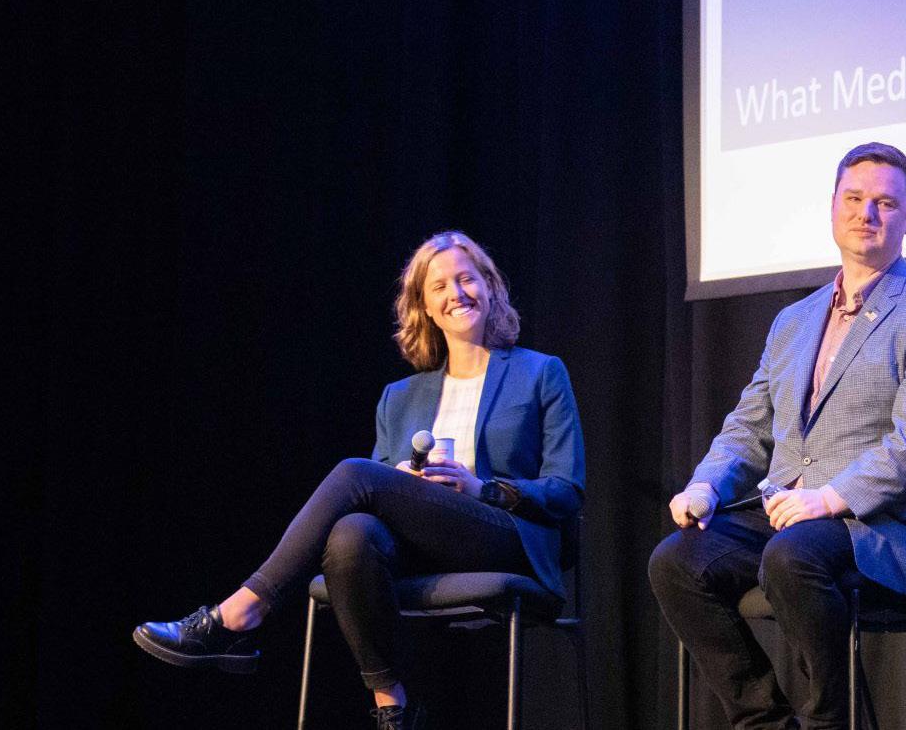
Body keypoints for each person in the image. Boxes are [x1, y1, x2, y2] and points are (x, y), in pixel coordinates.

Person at [132, 231, 586, 730]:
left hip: (505, 537)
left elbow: (567, 488)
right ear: (425, 308)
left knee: (354, 473)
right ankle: (394, 709)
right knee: (351, 534)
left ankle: (242, 611)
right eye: (439, 287)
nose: (456, 293)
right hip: (425, 544)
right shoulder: (399, 397)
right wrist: (402, 481)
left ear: (490, 287)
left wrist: (482, 489)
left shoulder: (540, 373)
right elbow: (367, 501)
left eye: (466, 279)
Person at [648, 142, 906, 730]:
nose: (866, 214)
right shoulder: (794, 321)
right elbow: (750, 424)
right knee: (676, 561)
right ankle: (764, 722)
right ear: (832, 207)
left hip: (885, 525)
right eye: (853, 198)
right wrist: (706, 486)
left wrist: (830, 498)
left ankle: (831, 721)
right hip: (791, 517)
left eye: (885, 203)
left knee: (792, 555)